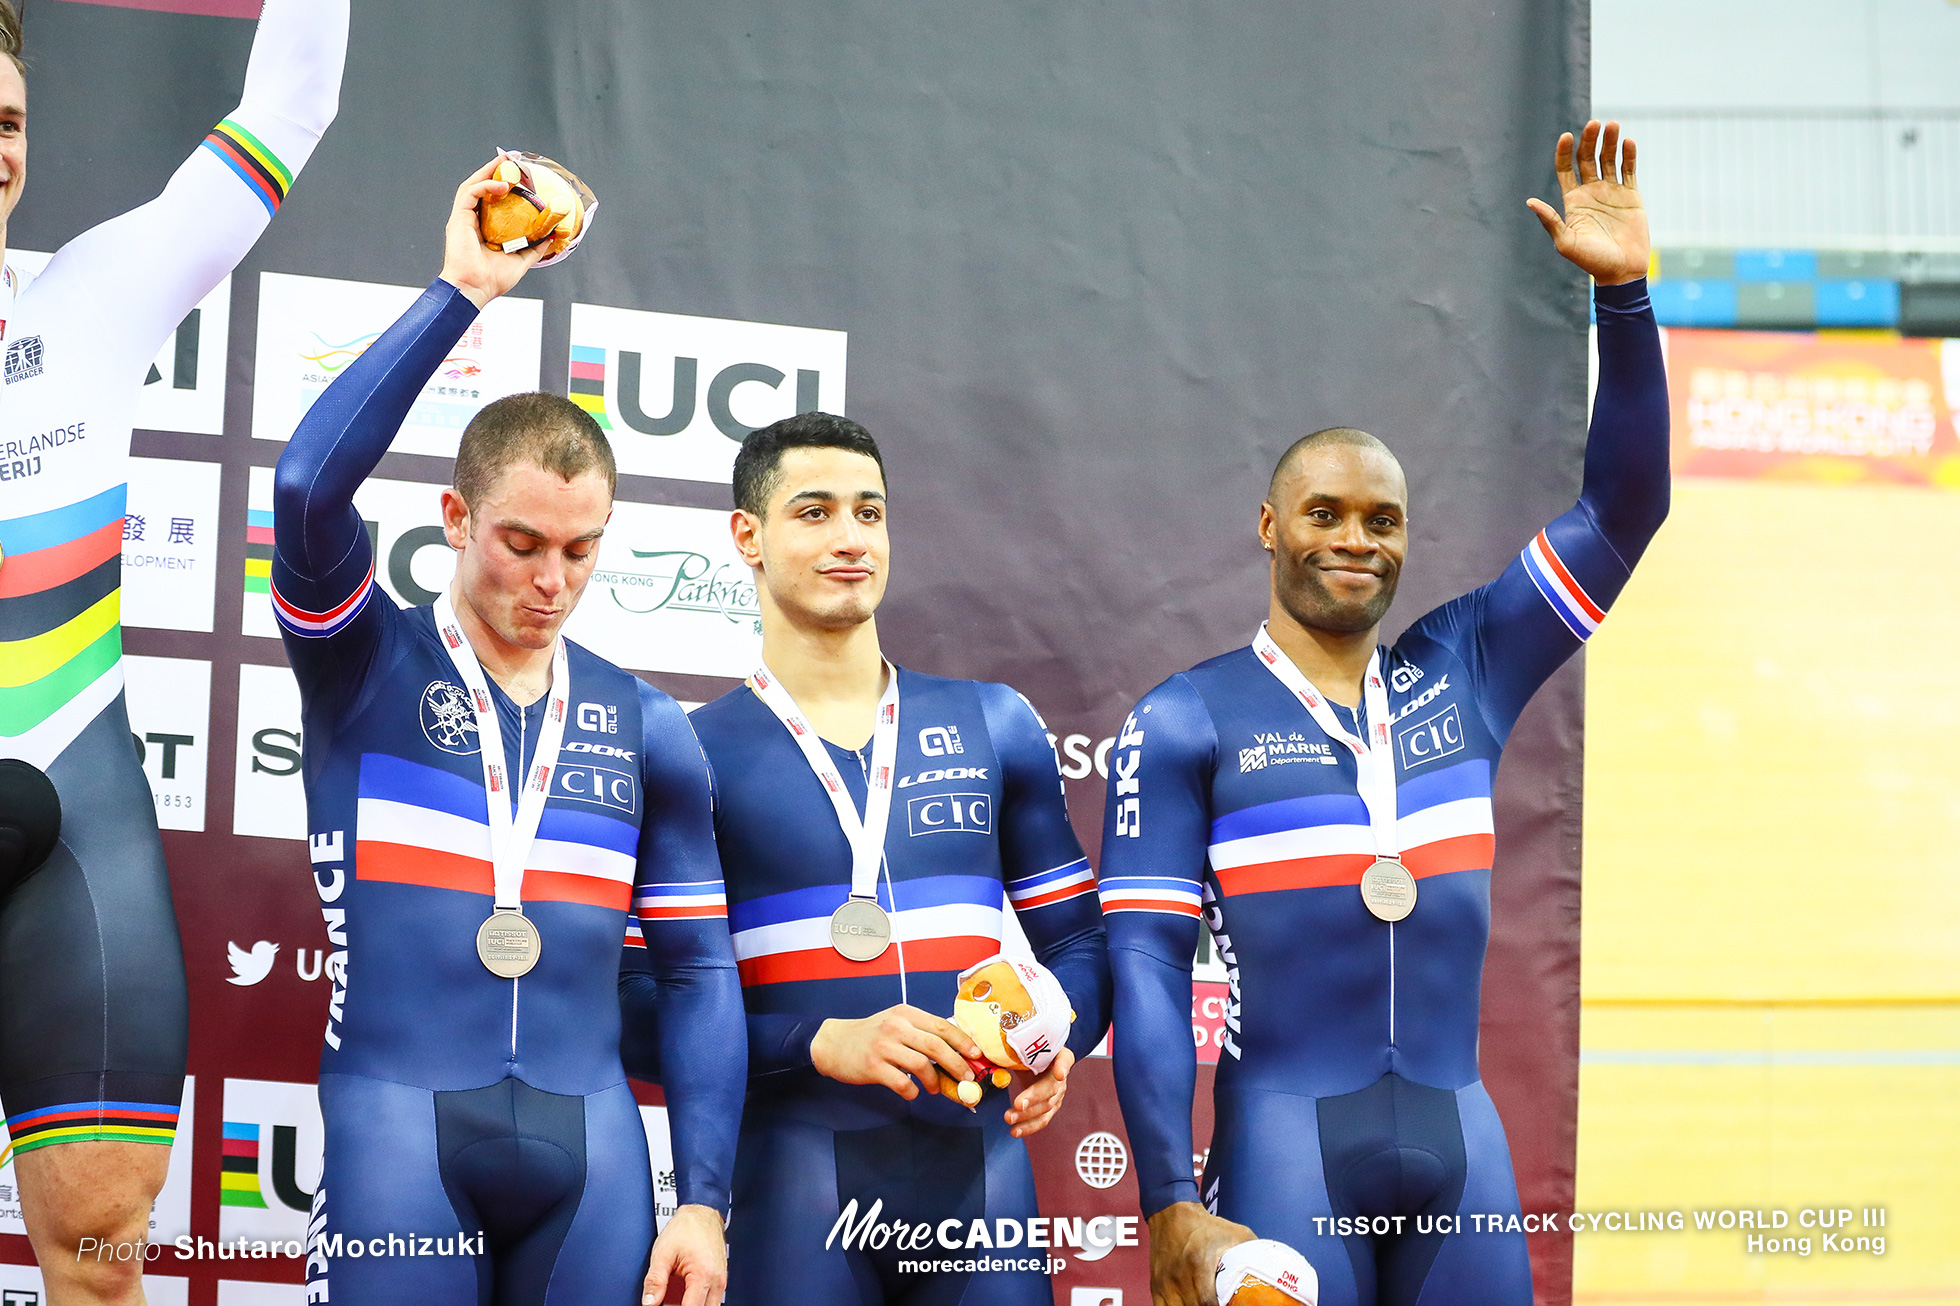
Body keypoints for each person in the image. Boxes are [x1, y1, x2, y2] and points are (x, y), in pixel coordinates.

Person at [1102, 122, 1668, 1306]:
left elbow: (1622, 509)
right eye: (1323, 512)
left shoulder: (1466, 665)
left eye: (1381, 519)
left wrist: (1623, 299)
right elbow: (1148, 967)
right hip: (1282, 1148)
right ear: (1270, 527)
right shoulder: (1188, 718)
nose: (1353, 538)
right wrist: (1168, 1202)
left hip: (1464, 1150)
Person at [270, 163, 744, 1306]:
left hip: (593, 1150)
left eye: (580, 550)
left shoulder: (645, 725)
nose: (550, 579)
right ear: (454, 517)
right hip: (398, 1127)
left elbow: (697, 973)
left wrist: (704, 1200)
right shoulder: (364, 659)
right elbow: (301, 489)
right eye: (521, 541)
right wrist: (461, 291)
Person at [0, 3, 345, 1299]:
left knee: (100, 1247)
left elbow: (285, 113)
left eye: (12, 121)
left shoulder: (92, 297)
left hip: (74, 827)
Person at [618, 412, 1111, 1305]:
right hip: (792, 1190)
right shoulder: (687, 753)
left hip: (983, 1186)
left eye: (869, 513)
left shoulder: (994, 723)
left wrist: (1058, 1035)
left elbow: (1081, 943)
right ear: (748, 536)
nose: (850, 539)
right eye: (814, 513)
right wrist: (820, 1042)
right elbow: (632, 1006)